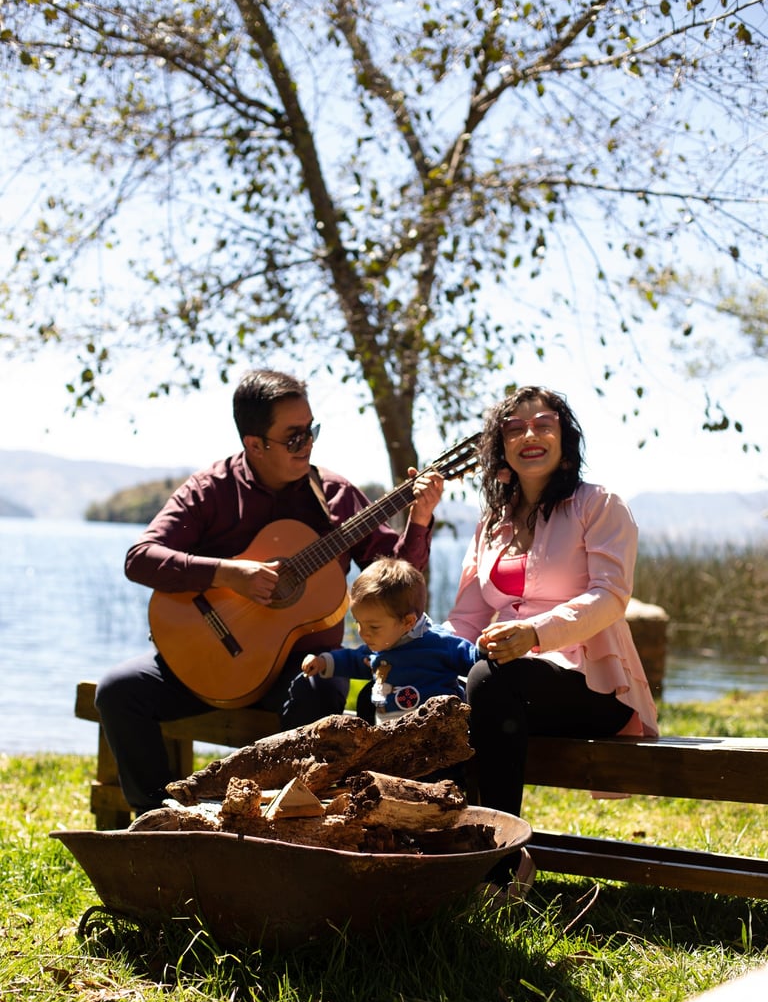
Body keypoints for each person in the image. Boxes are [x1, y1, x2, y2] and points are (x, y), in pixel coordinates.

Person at [95, 368, 444, 814]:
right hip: (209, 660)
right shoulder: (211, 490)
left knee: (319, 689)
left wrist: (419, 519)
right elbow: (141, 558)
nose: (308, 444)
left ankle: (284, 822)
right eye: (294, 437)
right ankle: (159, 819)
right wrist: (227, 574)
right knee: (118, 690)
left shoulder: (335, 496)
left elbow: (397, 585)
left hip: (299, 669)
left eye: (311, 430)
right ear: (254, 444)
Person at [444, 385, 658, 901]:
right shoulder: (491, 525)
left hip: (595, 689)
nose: (530, 435)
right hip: (507, 691)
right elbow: (465, 620)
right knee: (438, 698)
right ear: (500, 446)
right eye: (514, 428)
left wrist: (535, 634)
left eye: (543, 424)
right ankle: (434, 855)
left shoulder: (599, 505)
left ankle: (502, 864)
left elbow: (610, 596)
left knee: (491, 677)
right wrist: (421, 660)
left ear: (564, 440)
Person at [301, 557, 479, 723]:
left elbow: (473, 659)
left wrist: (485, 648)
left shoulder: (440, 643)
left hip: (439, 730)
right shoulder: (381, 646)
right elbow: (354, 659)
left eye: (373, 627)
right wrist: (323, 661)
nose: (363, 633)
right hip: (389, 732)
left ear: (408, 622)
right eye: (358, 623)